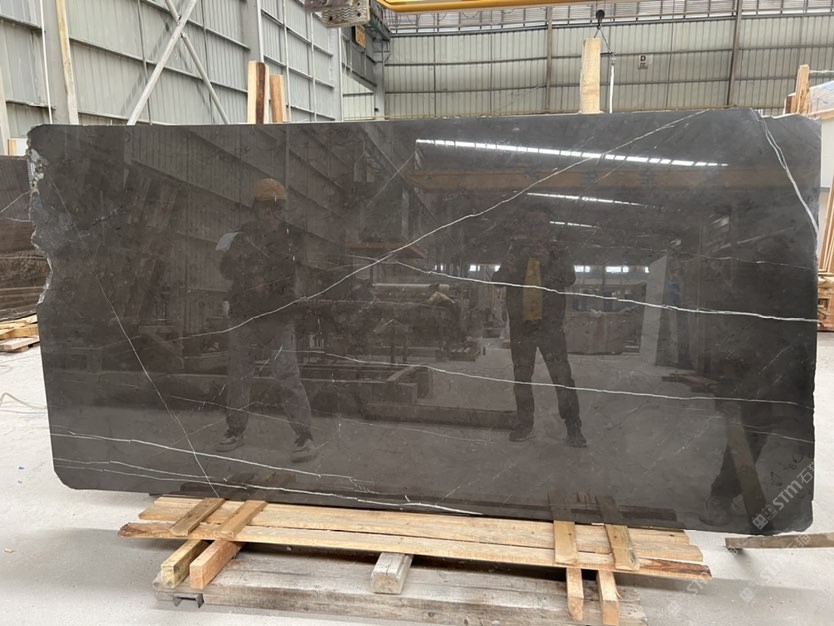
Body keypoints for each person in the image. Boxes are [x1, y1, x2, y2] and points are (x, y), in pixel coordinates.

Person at [214, 178, 316, 462]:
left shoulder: (292, 238)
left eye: (278, 209)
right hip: (244, 314)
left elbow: (292, 272)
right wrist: (249, 272)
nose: (272, 214)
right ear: (256, 209)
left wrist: (263, 277)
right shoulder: (241, 236)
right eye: (266, 208)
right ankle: (235, 429)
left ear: (283, 211)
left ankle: (304, 436)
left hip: (278, 317)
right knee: (239, 374)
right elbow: (226, 268)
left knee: (287, 375)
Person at [493, 210, 586, 447]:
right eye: (532, 225)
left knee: (562, 376)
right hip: (522, 326)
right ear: (526, 228)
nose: (536, 230)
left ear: (548, 228)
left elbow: (570, 278)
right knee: (522, 377)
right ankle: (525, 425)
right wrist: (507, 269)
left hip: (549, 326)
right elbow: (497, 280)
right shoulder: (516, 251)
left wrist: (548, 264)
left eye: (541, 225)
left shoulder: (559, 251)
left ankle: (573, 428)